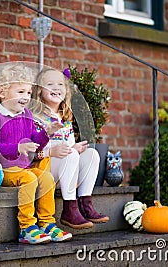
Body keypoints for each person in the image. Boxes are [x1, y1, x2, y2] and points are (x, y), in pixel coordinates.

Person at [0, 63, 72, 244]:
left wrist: (46, 133)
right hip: (3, 169)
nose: (26, 97)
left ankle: (47, 223)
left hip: (24, 167)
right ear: (2, 92)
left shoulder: (27, 115)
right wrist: (17, 148)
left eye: (29, 93)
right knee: (29, 179)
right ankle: (26, 227)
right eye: (21, 92)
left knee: (46, 178)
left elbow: (36, 144)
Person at [30, 67, 109, 230]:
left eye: (60, 84)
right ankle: (69, 209)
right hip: (44, 171)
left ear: (66, 91)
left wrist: (75, 148)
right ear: (39, 91)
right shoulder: (34, 116)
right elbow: (30, 153)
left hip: (64, 173)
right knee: (71, 153)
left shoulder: (64, 117)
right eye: (49, 84)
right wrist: (52, 151)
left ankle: (85, 204)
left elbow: (69, 146)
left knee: (92, 154)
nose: (56, 87)